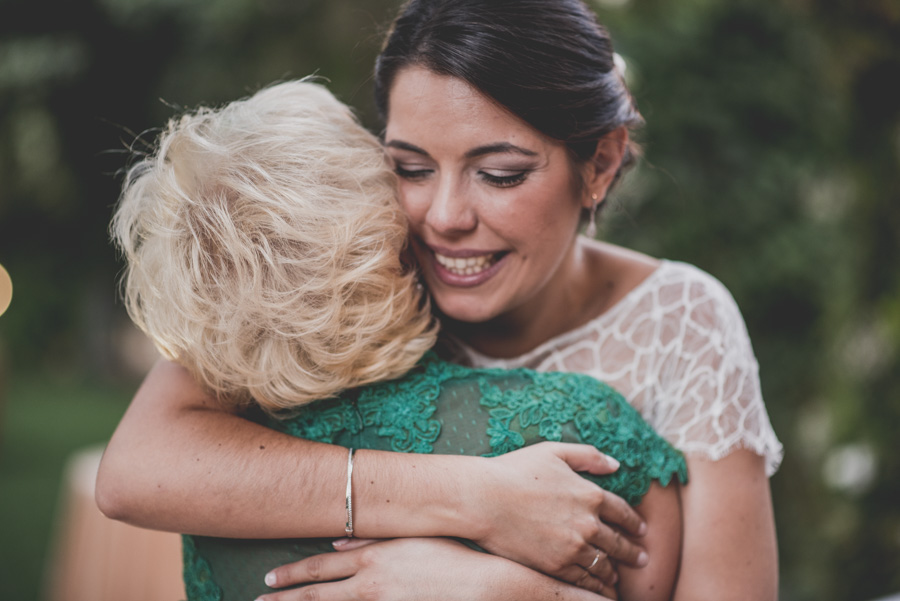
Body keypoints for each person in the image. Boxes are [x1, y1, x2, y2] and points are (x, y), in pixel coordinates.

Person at [97, 0, 783, 599]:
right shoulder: (356, 277)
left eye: (499, 173)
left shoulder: (684, 322)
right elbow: (135, 470)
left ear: (599, 164)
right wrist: (472, 500)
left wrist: (497, 589)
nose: (444, 216)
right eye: (411, 168)